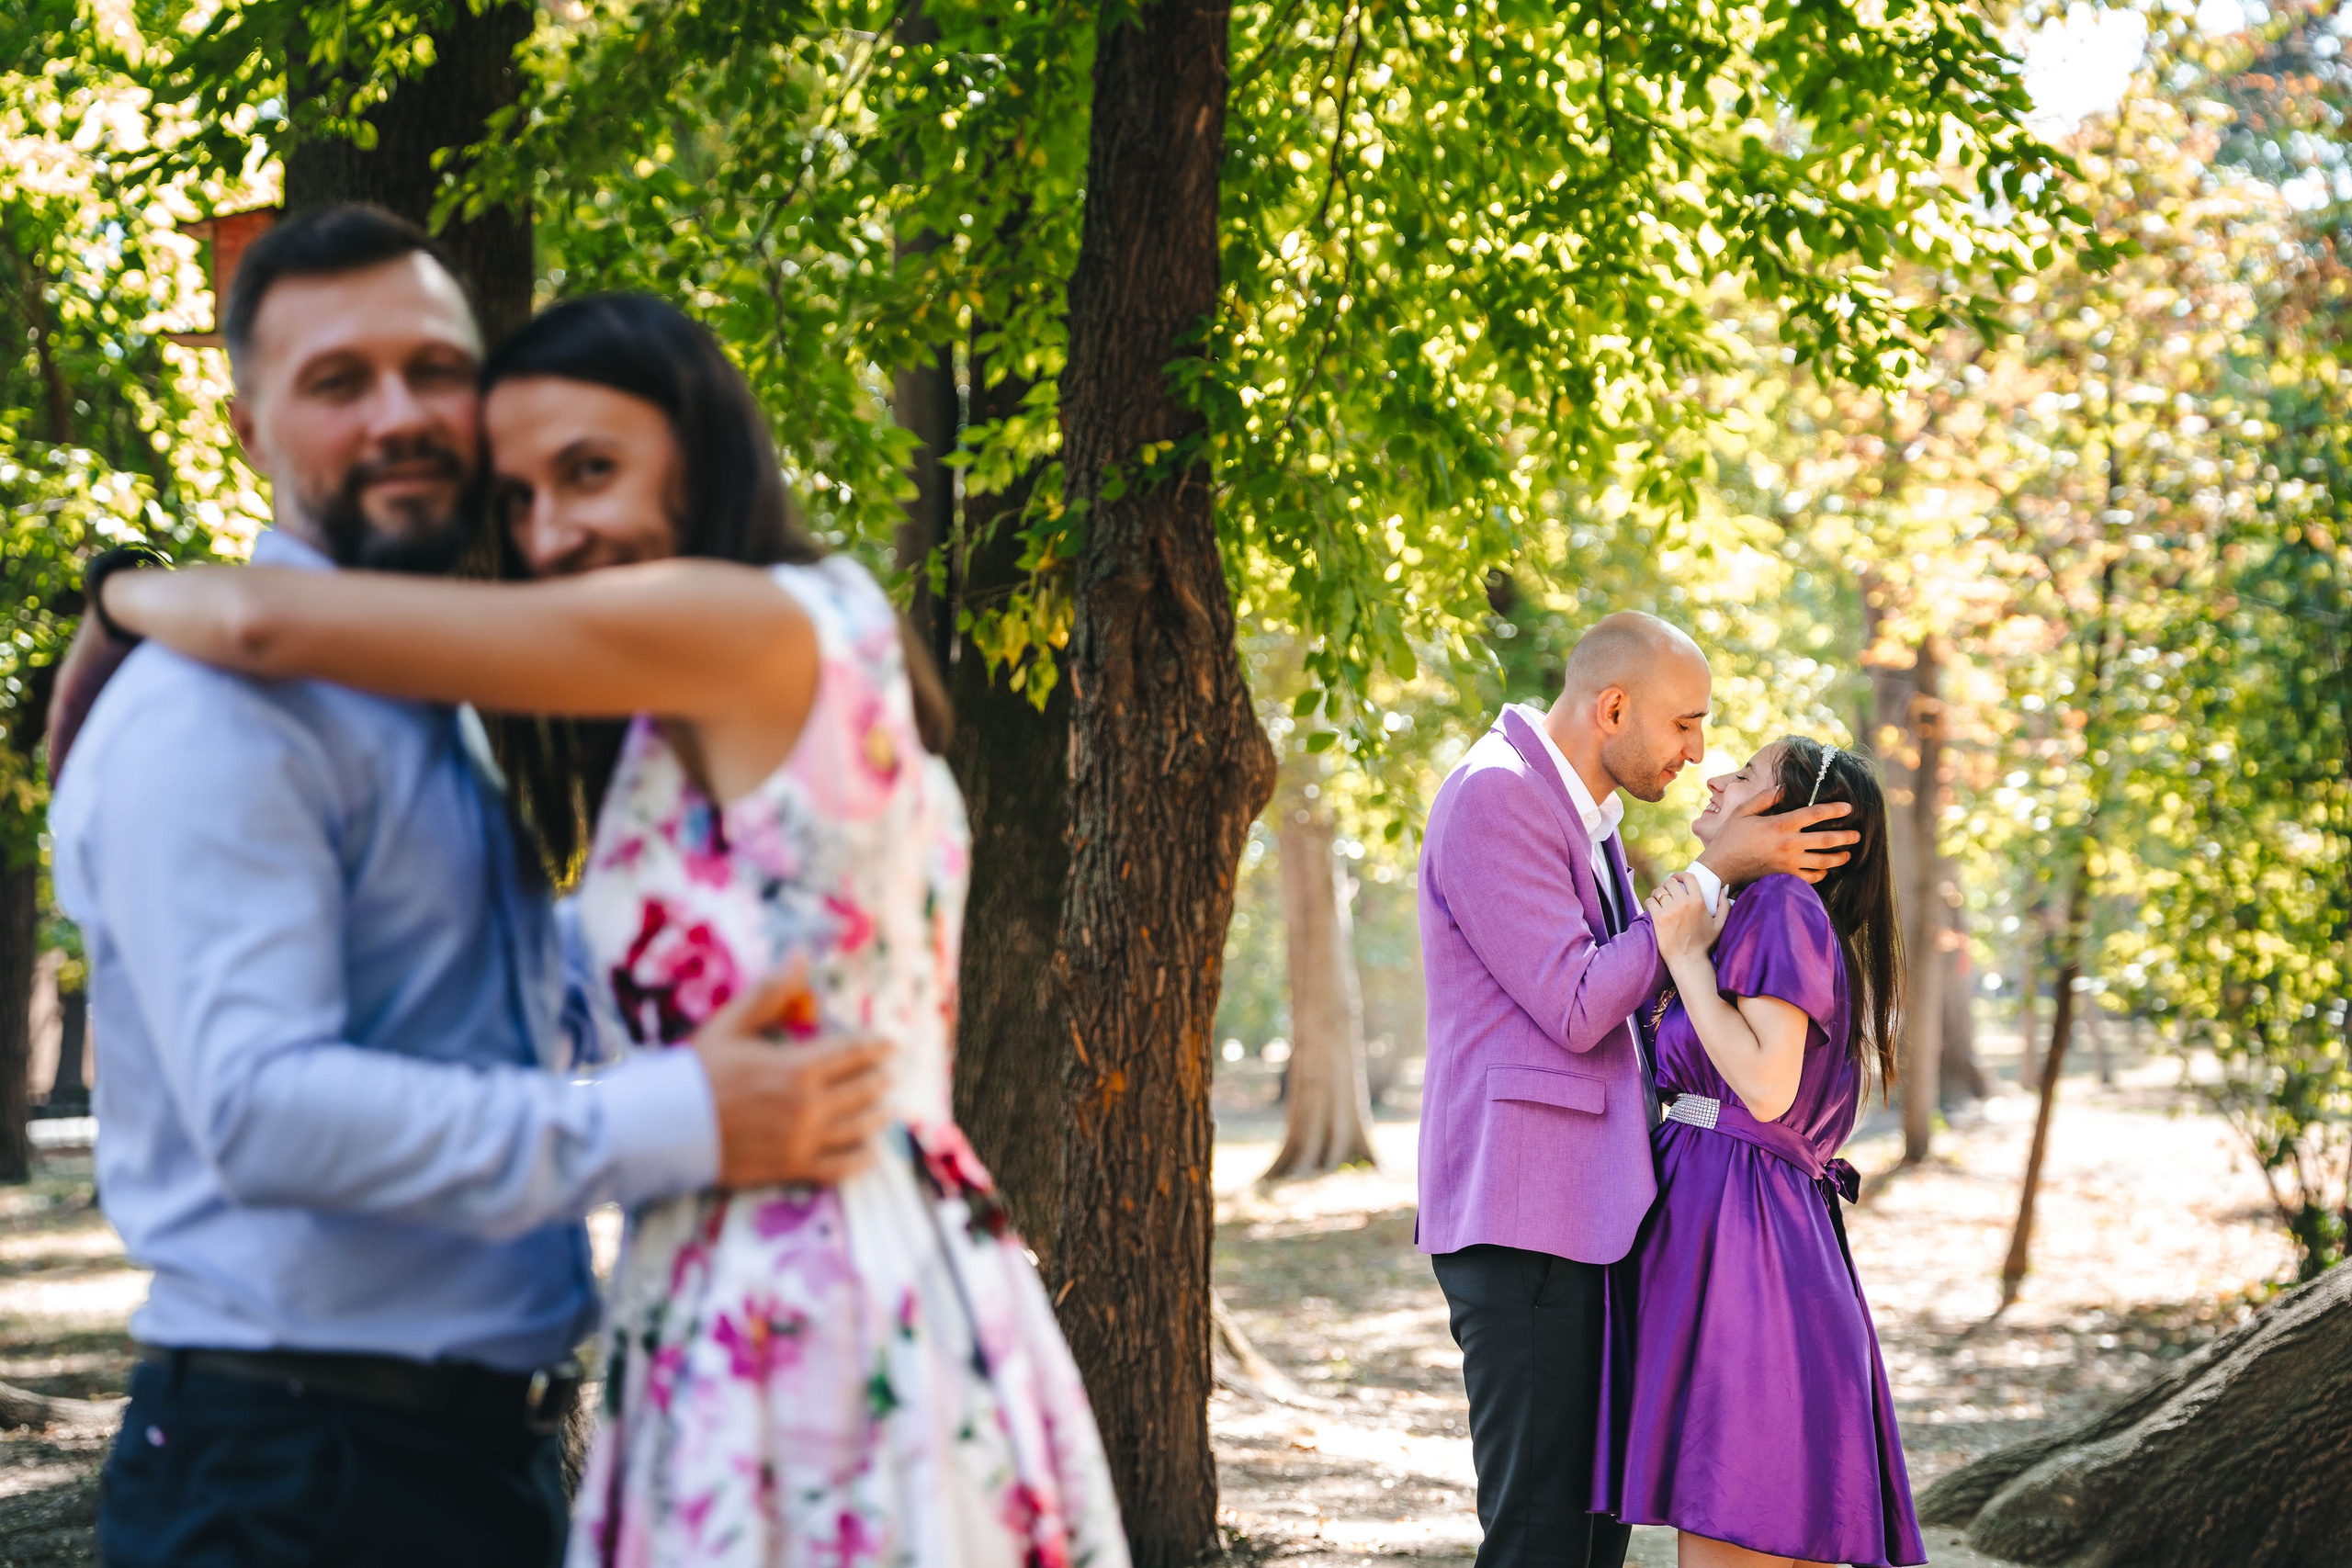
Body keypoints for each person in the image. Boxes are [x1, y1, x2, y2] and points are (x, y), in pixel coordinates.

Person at [92, 288, 1128, 1566]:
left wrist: (118, 602)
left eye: (591, 471)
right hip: (732, 1270)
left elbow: (263, 619)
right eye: (518, 498)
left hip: (815, 1284)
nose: (552, 530)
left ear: (703, 453)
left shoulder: (751, 620)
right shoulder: (691, 716)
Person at [1414, 613, 1860, 1568]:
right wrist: (1714, 872)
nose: (1697, 754)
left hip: (1593, 1219)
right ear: (1613, 708)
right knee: (1540, 1536)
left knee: (1590, 1540)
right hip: (1526, 1219)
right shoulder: (1496, 794)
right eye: (1685, 724)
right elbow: (1578, 1004)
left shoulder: (1590, 820)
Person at [1594, 739, 1925, 1567]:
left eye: (1744, 776)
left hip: (1744, 1253)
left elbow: (1768, 1087)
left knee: (1730, 1520)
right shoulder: (1761, 911)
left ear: (1796, 820)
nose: (1715, 778)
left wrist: (1683, 959)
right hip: (1743, 1234)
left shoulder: (1782, 903)